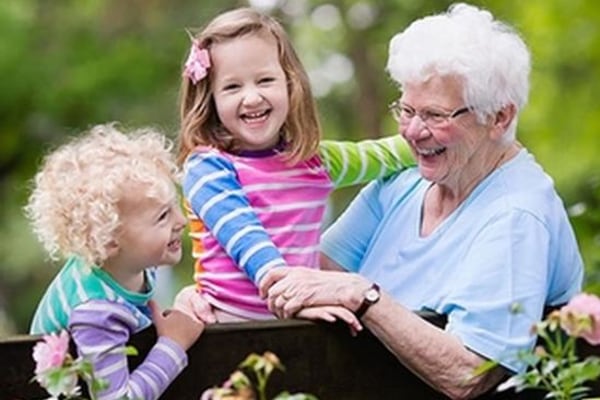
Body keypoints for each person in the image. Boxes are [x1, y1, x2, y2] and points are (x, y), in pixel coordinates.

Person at [259, 3, 584, 399]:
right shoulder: (404, 181)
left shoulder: (517, 214)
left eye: (434, 115)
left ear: (499, 117)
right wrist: (213, 294)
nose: (413, 131)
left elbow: (469, 374)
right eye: (407, 110)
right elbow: (306, 272)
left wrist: (365, 297)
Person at [174, 7, 413, 324]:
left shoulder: (313, 160)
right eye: (232, 87)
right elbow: (247, 240)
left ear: (291, 84)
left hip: (298, 320)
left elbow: (384, 155)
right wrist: (290, 293)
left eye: (265, 80)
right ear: (211, 99)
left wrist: (431, 139)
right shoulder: (208, 169)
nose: (252, 97)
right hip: (229, 329)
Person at [26, 124, 204, 400]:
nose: (180, 221)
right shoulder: (95, 310)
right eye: (162, 217)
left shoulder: (126, 264)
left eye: (175, 207)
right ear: (109, 240)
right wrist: (173, 344)